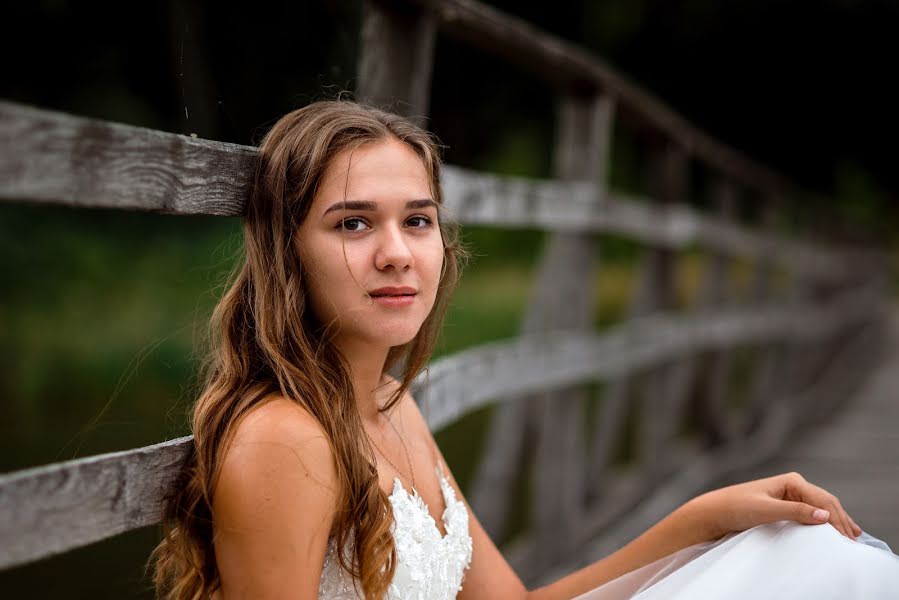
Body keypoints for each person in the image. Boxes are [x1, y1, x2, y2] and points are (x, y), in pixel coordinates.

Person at [149, 100, 899, 599]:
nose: (396, 253)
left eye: (416, 221)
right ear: (288, 251)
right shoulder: (284, 437)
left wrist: (702, 520)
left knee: (798, 556)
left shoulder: (390, 406)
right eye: (352, 224)